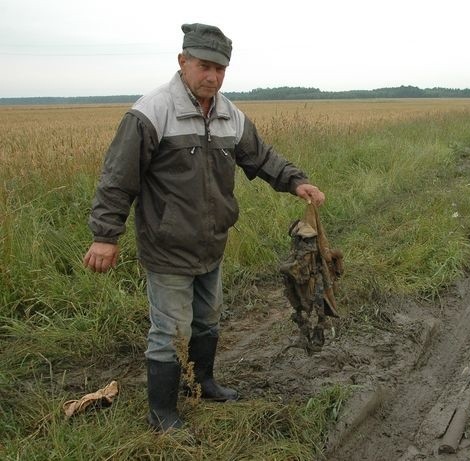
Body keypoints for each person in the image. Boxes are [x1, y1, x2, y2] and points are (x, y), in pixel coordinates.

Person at [83, 22, 325, 432]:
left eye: (220, 69)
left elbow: (261, 157)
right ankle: (162, 411)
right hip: (167, 244)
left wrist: (295, 181)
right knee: (170, 329)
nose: (212, 76)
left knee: (208, 318)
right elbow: (117, 177)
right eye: (204, 66)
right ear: (183, 62)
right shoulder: (152, 111)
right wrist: (105, 237)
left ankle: (205, 381)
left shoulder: (230, 114)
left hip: (212, 242)